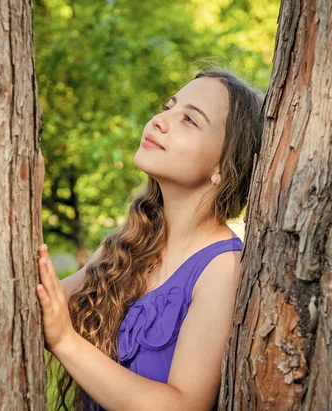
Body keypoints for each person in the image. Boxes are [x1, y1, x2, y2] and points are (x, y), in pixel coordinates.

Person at [35, 70, 264, 411]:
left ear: (224, 163)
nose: (159, 120)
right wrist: (27, 194)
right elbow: (35, 305)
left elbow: (183, 406)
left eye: (189, 119)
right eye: (168, 107)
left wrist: (66, 342)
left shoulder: (223, 269)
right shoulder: (130, 243)